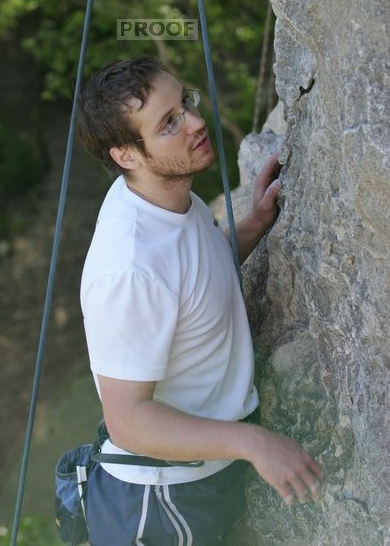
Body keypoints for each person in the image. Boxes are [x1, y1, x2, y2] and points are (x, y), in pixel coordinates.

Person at [77, 56, 324, 546]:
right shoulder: (129, 267)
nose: (194, 122)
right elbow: (128, 421)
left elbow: (189, 285)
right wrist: (254, 443)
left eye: (184, 103)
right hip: (162, 508)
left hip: (198, 477)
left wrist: (253, 223)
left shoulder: (163, 197)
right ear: (127, 154)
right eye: (168, 123)